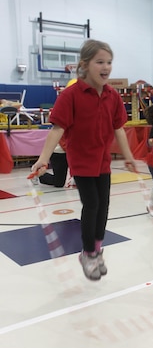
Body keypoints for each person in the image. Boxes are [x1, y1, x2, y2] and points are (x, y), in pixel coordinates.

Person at [31, 39, 136, 281]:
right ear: (85, 65)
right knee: (92, 205)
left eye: (109, 62)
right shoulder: (71, 95)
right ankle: (88, 253)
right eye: (100, 62)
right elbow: (57, 129)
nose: (106, 67)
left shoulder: (113, 96)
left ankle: (97, 249)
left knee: (104, 206)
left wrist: (129, 157)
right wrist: (43, 159)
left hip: (103, 162)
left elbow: (119, 128)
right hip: (81, 161)